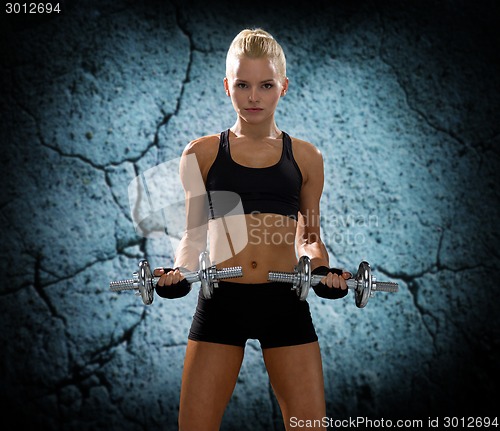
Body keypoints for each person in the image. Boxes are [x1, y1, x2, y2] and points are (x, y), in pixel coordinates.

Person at [154, 28, 351, 431]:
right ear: (227, 86)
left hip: (284, 304)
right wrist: (178, 273)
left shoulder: (307, 158)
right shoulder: (202, 153)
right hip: (221, 303)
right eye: (243, 85)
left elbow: (309, 237)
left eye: (266, 85)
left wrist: (318, 272)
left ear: (284, 87)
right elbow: (193, 235)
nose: (254, 96)